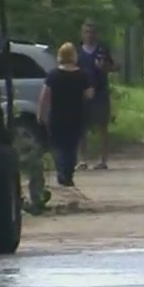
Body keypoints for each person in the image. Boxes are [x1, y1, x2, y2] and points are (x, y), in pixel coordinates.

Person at [37, 42, 94, 187]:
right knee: (72, 146)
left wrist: (41, 115)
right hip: (76, 115)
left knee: (58, 146)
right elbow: (89, 94)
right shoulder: (82, 75)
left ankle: (62, 171)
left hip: (57, 116)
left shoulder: (53, 75)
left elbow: (44, 97)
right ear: (74, 56)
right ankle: (68, 173)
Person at [77, 20, 118, 170]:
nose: (89, 35)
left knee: (102, 126)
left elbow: (114, 67)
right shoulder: (77, 51)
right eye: (86, 32)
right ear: (82, 34)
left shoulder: (102, 49)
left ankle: (103, 160)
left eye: (92, 32)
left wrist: (105, 67)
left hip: (100, 92)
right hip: (82, 93)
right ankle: (82, 159)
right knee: (81, 127)